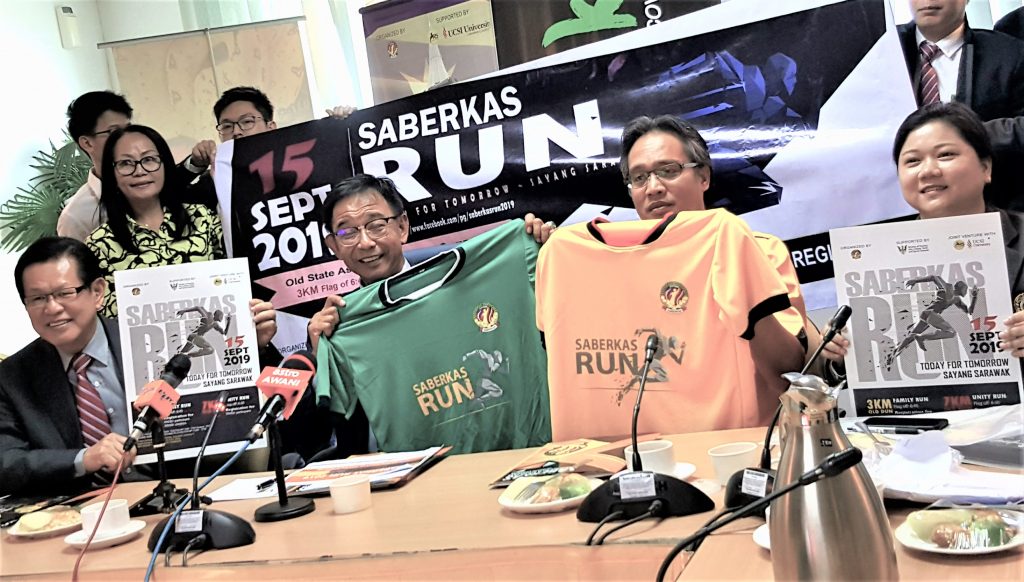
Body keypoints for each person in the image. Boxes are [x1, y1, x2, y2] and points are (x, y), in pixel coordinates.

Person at [824, 101, 1024, 367]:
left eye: (946, 155)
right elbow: (862, 369)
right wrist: (843, 354)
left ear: (985, 168)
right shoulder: (874, 258)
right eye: (913, 161)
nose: (928, 171)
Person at [0, 237, 136, 495]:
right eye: (38, 298)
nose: (52, 308)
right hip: (75, 509)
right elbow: (6, 463)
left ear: (97, 292)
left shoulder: (146, 344)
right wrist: (84, 459)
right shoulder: (11, 377)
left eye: (64, 293)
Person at [85, 125, 224, 318]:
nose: (139, 171)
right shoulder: (99, 245)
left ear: (165, 165)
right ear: (112, 173)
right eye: (126, 163)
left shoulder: (202, 218)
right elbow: (103, 317)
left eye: (149, 159)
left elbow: (233, 278)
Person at [897, 0, 1024, 211]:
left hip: (990, 205)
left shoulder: (1009, 53)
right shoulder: (878, 50)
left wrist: (967, 136)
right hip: (896, 211)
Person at [57, 92, 212, 241]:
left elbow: (175, 183)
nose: (126, 137)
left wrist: (197, 162)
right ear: (87, 143)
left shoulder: (153, 181)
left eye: (129, 128)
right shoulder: (76, 216)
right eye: (114, 132)